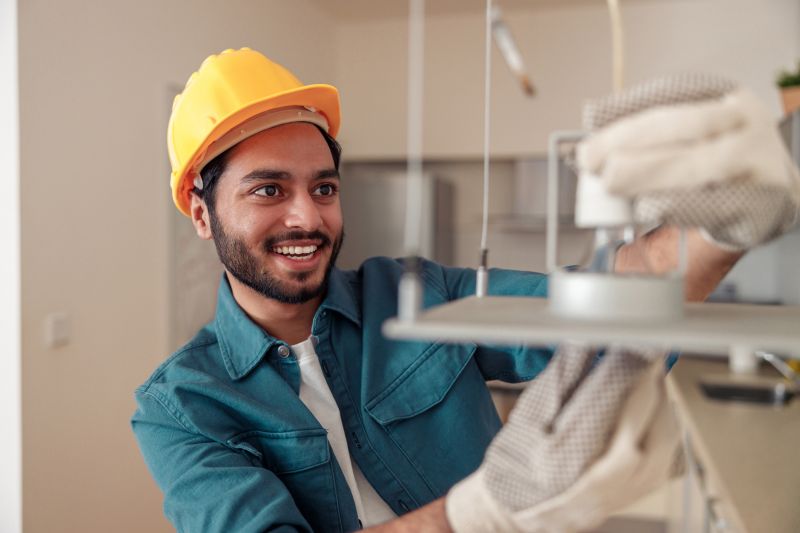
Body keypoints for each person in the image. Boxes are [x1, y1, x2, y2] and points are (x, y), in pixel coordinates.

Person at [131, 48, 792, 532]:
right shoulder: (182, 406)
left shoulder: (415, 292)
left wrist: (725, 224)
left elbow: (611, 298)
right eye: (269, 189)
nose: (308, 217)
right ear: (201, 211)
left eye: (324, 187)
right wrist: (476, 513)